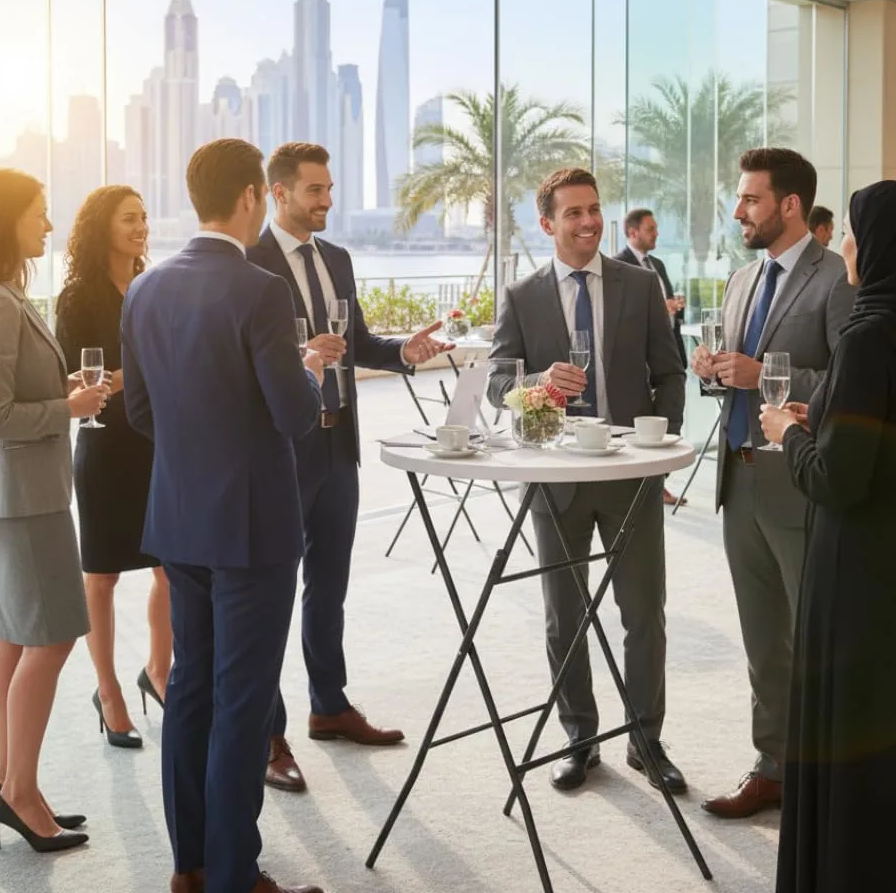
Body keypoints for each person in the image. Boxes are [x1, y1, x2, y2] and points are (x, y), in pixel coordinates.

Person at [121, 138, 326, 893]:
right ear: (250, 197)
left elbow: (141, 412)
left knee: (191, 691)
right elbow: (295, 417)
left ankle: (191, 866)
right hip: (253, 529)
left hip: (178, 520)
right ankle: (237, 875)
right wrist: (309, 371)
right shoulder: (261, 289)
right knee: (243, 701)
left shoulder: (144, 290)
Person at [760, 181, 896, 893]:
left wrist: (790, 434)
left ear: (878, 246)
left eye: (852, 233)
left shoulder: (867, 336)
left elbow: (833, 480)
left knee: (856, 734)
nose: (845, 245)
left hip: (859, 561)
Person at [246, 141, 454, 793]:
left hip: (338, 446)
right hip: (282, 452)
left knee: (328, 588)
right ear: (279, 194)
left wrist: (407, 351)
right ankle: (268, 733)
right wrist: (300, 356)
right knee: (271, 599)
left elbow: (360, 342)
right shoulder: (249, 265)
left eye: (329, 188)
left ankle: (328, 705)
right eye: (315, 190)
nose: (327, 200)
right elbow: (247, 369)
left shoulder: (336, 258)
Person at [488, 167, 688, 794]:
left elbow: (672, 373)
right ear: (547, 224)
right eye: (573, 213)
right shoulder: (521, 295)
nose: (588, 222)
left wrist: (659, 449)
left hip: (631, 478)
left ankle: (644, 740)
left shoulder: (640, 283)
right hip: (555, 480)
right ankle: (579, 738)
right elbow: (498, 383)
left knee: (643, 616)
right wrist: (536, 385)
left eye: (594, 209)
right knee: (563, 618)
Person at [0, 168, 107, 853]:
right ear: (5, 219)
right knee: (53, 636)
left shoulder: (1, 296)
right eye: (39, 213)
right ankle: (17, 792)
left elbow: (7, 398)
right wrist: (66, 408)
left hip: (13, 492)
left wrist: (60, 388)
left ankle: (18, 785)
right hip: (23, 497)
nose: (48, 224)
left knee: (13, 635)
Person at [691, 148, 854, 819]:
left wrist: (765, 377)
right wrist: (711, 368)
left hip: (798, 482)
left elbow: (854, 385)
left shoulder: (836, 280)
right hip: (739, 479)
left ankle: (833, 780)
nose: (738, 211)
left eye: (750, 200)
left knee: (817, 641)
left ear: (790, 205)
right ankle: (773, 769)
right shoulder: (739, 279)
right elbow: (727, 377)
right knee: (763, 640)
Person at [55, 185, 169, 750]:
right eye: (129, 218)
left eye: (144, 217)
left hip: (155, 441)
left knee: (170, 565)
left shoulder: (153, 286)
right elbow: (78, 382)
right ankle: (108, 690)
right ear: (103, 227)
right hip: (103, 446)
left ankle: (158, 670)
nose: (141, 226)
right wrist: (134, 374)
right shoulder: (75, 298)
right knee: (99, 578)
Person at [614, 207, 687, 507]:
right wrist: (661, 309)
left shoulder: (656, 264)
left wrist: (672, 308)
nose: (656, 233)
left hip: (669, 354)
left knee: (671, 421)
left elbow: (661, 307)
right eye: (650, 229)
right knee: (645, 423)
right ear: (633, 232)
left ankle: (659, 481)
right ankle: (650, 484)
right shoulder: (618, 266)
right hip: (640, 363)